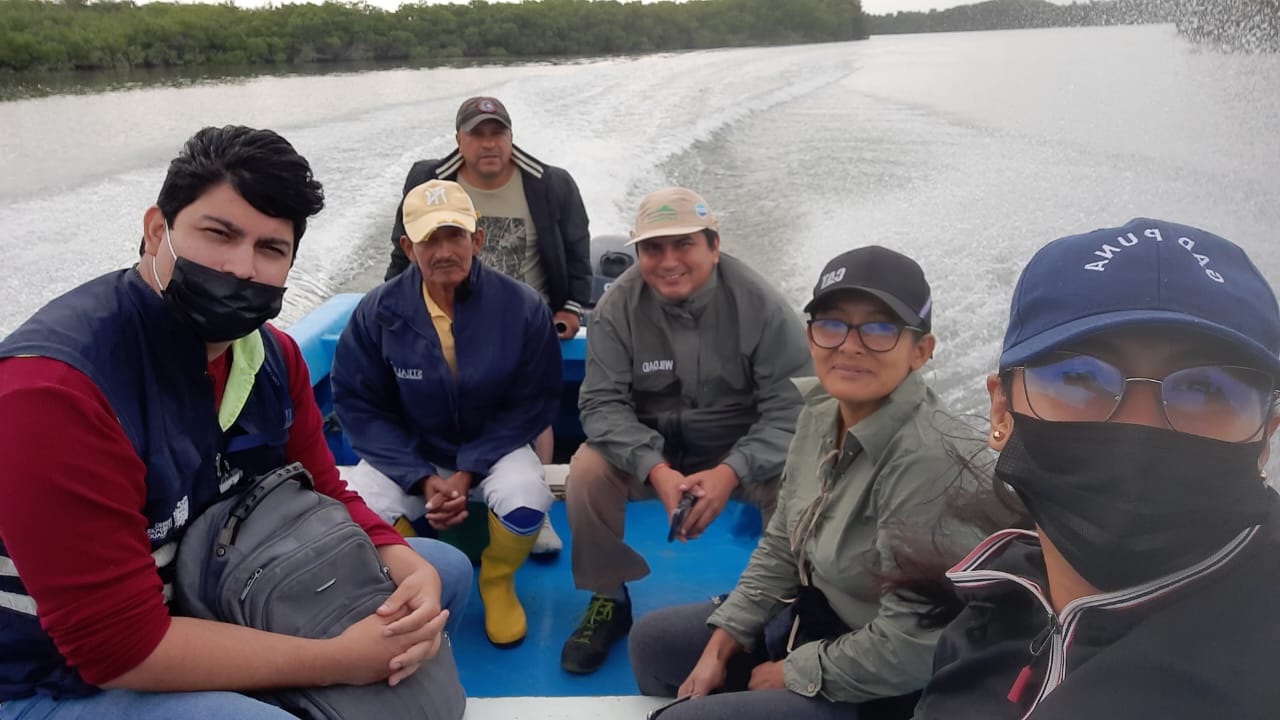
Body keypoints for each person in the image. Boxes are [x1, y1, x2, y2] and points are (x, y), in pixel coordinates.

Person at [0, 126, 473, 718]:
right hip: (52, 675)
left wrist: (406, 565)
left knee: (442, 573)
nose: (241, 268)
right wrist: (341, 659)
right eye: (219, 234)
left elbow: (324, 491)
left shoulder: (271, 358)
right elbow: (119, 650)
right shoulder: (55, 391)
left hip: (206, 596)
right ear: (157, 231)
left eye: (270, 249)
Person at [912, 218, 1280, 719]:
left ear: (1264, 437)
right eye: (1079, 377)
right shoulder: (987, 613)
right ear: (1002, 412)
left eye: (1206, 389)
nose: (1138, 431)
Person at [627, 246, 990, 719]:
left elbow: (917, 644)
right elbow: (783, 541)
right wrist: (724, 640)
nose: (850, 345)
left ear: (921, 350)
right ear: (810, 337)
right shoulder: (821, 412)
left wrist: (792, 673)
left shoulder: (931, 460)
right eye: (833, 325)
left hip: (891, 688)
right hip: (818, 618)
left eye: (880, 329)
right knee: (652, 645)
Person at [560, 187, 813, 674]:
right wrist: (654, 469)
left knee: (801, 480)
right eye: (653, 248)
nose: (668, 261)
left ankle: (782, 604)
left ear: (714, 246)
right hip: (652, 453)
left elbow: (791, 411)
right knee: (587, 471)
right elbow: (601, 404)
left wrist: (730, 471)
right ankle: (608, 597)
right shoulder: (617, 307)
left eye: (684, 245)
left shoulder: (762, 306)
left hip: (739, 454)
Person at [333, 179, 561, 649]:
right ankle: (421, 577)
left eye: (454, 235)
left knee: (526, 495)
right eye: (428, 239)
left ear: (477, 239)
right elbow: (359, 406)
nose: (443, 251)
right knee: (357, 507)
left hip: (493, 446)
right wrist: (420, 477)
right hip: (412, 451)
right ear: (407, 248)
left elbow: (532, 401)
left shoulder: (522, 307)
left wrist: (467, 469)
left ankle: (496, 579)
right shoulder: (377, 313)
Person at [384, 96, 590, 342]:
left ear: (511, 137)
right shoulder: (428, 181)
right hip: (445, 329)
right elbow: (402, 256)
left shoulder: (552, 184)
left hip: (528, 327)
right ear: (459, 140)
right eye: (477, 134)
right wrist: (390, 310)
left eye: (498, 133)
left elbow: (578, 256)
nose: (489, 144)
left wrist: (571, 310)